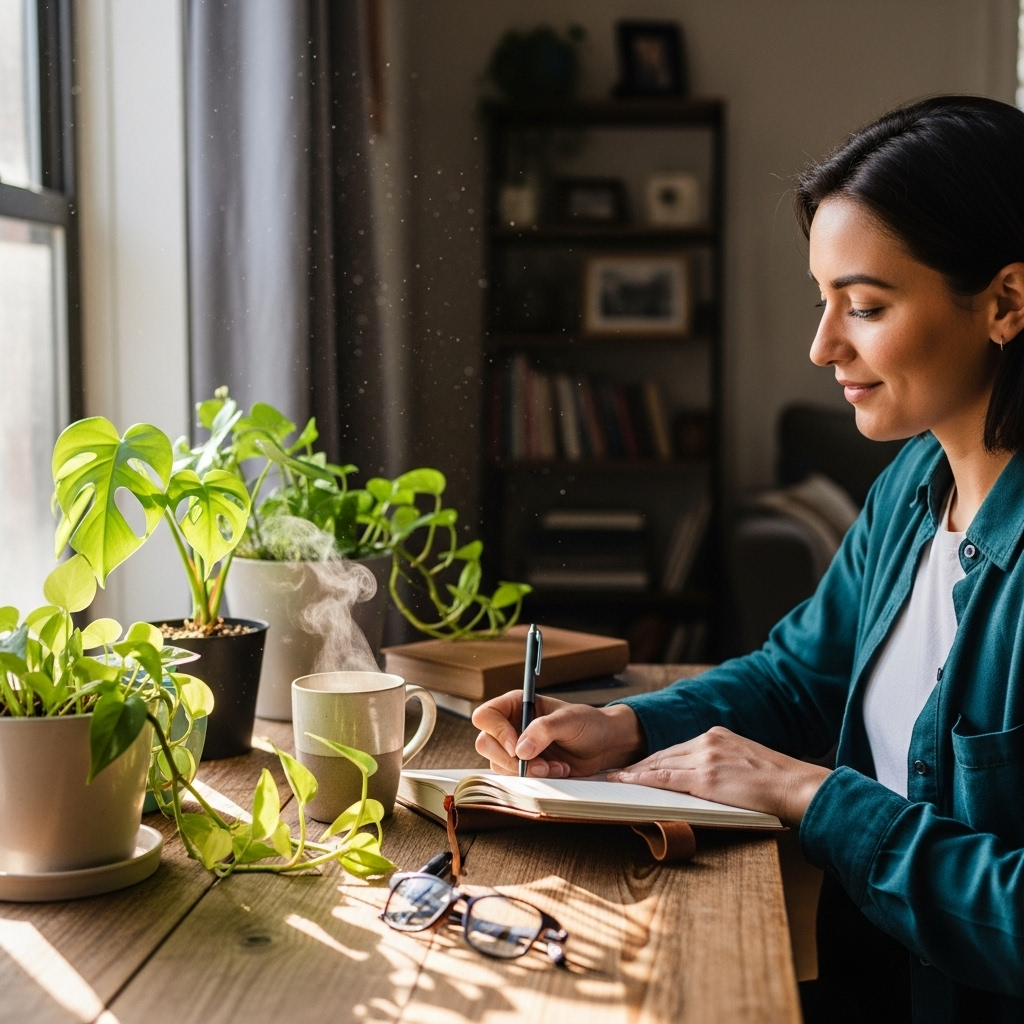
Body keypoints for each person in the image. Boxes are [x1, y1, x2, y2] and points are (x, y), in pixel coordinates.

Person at [473, 96, 1024, 1024]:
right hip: (852, 981)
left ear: (1006, 301)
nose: (822, 346)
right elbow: (799, 675)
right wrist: (628, 727)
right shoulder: (910, 487)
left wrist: (809, 792)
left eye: (865, 306)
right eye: (824, 302)